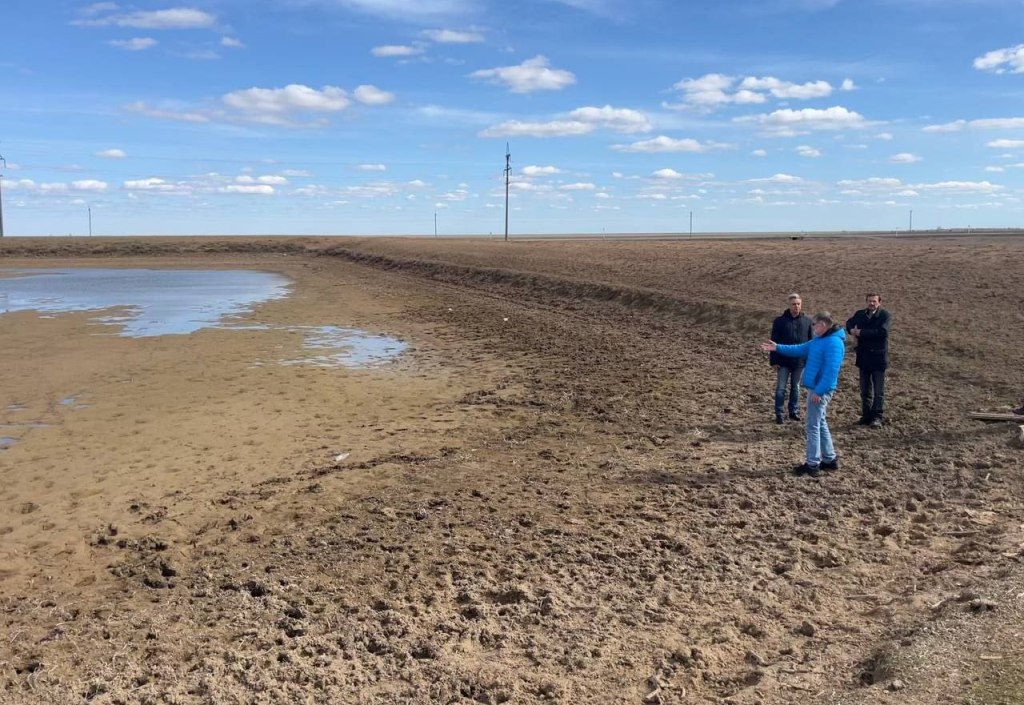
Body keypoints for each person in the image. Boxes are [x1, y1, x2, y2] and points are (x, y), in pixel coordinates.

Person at [760, 312, 847, 477]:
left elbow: (831, 371)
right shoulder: (819, 340)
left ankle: (812, 464)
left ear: (822, 324)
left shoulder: (834, 343)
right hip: (816, 388)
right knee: (820, 422)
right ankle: (829, 459)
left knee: (812, 426)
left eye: (814, 324)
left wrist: (820, 391)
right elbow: (800, 349)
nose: (812, 327)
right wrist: (777, 347)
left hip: (820, 390)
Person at [845, 293, 892, 427]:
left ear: (879, 302)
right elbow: (849, 323)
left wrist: (861, 333)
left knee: (878, 391)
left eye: (874, 301)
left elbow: (883, 332)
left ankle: (877, 417)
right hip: (863, 357)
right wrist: (851, 331)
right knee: (865, 390)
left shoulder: (885, 316)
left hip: (878, 358)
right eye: (869, 301)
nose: (872, 303)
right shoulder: (860, 314)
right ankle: (866, 416)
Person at [769, 293, 813, 424]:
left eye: (798, 304)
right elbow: (773, 342)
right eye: (794, 304)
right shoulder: (779, 321)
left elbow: (811, 342)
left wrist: (809, 360)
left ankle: (794, 411)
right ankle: (779, 413)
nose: (796, 306)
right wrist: (774, 360)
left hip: (799, 362)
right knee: (781, 387)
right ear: (789, 305)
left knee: (796, 387)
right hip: (782, 361)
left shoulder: (807, 321)